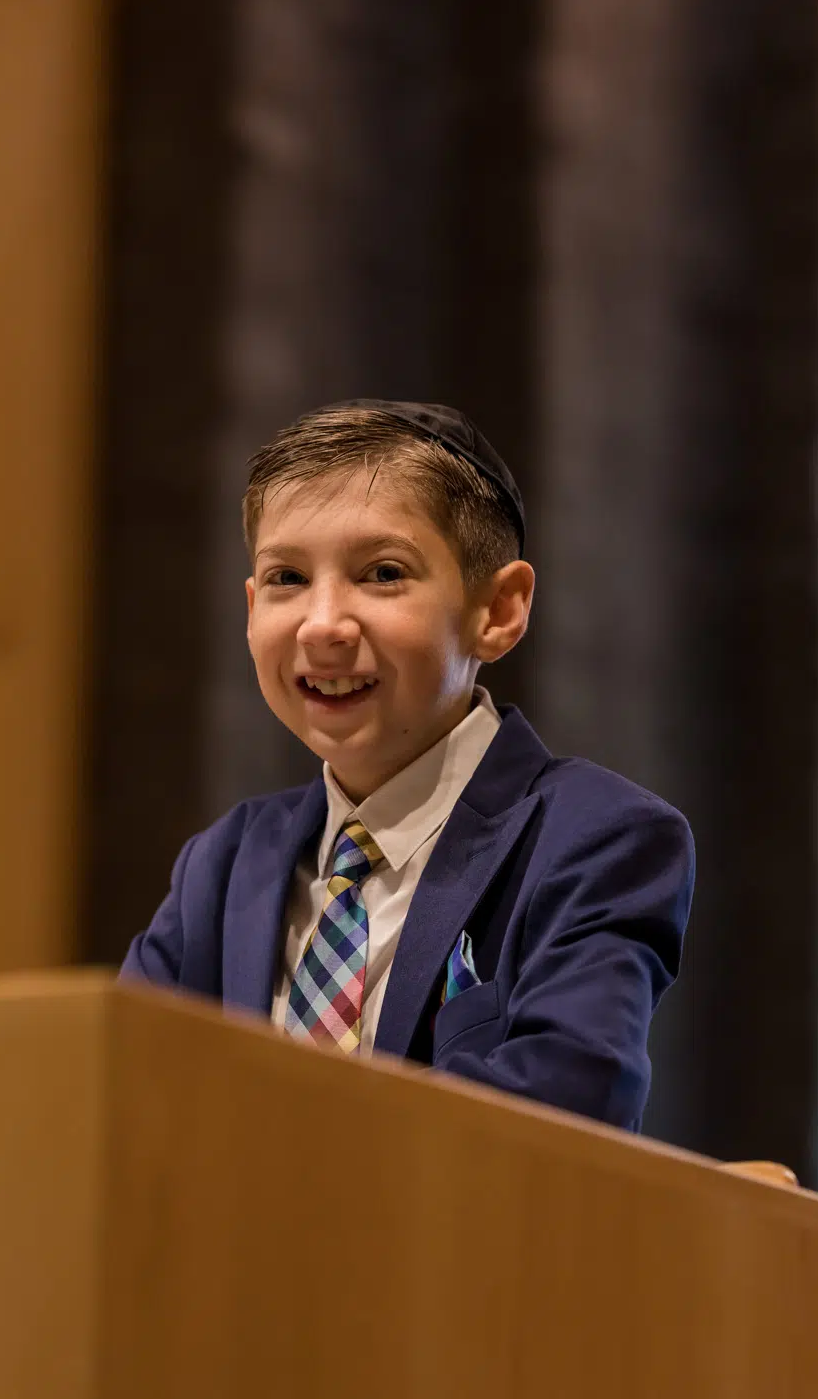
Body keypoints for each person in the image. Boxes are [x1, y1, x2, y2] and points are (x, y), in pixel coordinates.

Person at [120, 399, 694, 1132]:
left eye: (383, 572)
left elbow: (563, 1115)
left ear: (499, 609)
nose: (323, 623)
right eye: (286, 578)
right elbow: (125, 1104)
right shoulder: (226, 863)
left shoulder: (596, 840)